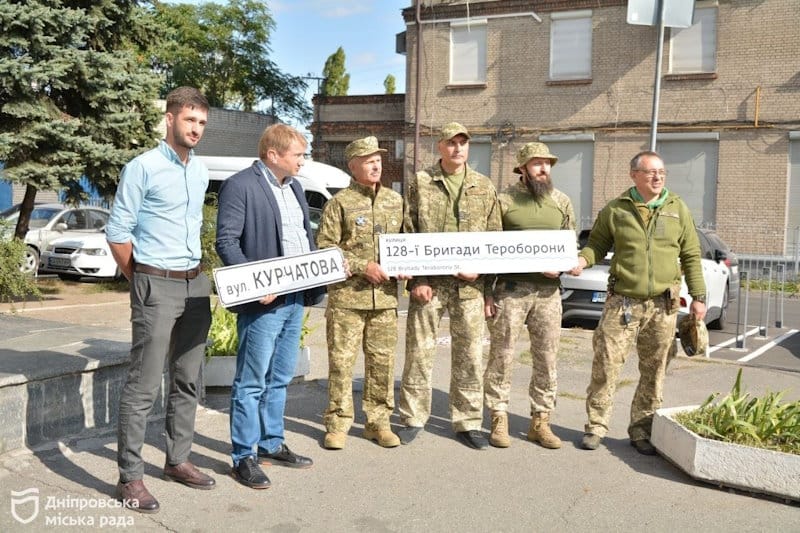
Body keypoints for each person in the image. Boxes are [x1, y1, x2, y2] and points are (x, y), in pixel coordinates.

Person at [107, 86, 216, 514]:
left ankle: (178, 460)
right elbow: (118, 232)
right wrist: (141, 278)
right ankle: (130, 477)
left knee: (188, 379)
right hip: (156, 282)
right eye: (190, 120)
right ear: (170, 119)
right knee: (144, 384)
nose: (196, 129)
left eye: (202, 123)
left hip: (195, 284)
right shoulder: (143, 168)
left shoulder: (200, 170)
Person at [570, 150, 706, 455]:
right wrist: (582, 260)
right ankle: (595, 427)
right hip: (623, 304)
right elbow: (597, 246)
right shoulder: (616, 210)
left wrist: (699, 297)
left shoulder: (677, 208)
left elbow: (691, 256)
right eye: (650, 172)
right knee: (606, 366)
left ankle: (642, 429)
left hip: (663, 306)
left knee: (655, 370)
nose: (657, 177)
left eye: (661, 172)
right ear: (634, 175)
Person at [215, 123, 325, 489]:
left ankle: (271, 442)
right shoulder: (240, 185)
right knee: (251, 382)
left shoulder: (294, 186)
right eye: (298, 155)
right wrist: (254, 283)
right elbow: (227, 241)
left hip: (294, 298)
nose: (303, 162)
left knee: (280, 377)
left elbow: (302, 238)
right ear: (273, 154)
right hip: (263, 303)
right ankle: (243, 455)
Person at [398, 122, 502, 450]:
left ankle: (468, 422)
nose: (458, 148)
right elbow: (408, 229)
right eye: (451, 143)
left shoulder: (483, 186)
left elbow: (495, 236)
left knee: (471, 353)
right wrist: (417, 278)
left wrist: (485, 281)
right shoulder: (421, 182)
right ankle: (413, 418)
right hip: (430, 284)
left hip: (470, 287)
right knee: (419, 351)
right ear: (440, 147)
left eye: (463, 143)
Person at [483, 142, 576, 449]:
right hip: (511, 291)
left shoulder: (561, 202)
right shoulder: (504, 201)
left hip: (548, 294)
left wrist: (561, 269)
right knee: (502, 356)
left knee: (547, 359)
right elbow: (489, 248)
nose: (543, 168)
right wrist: (487, 292)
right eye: (536, 163)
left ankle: (541, 421)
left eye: (547, 163)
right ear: (522, 168)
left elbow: (568, 245)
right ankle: (498, 417)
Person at [316, 136, 406, 450]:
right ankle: (338, 423)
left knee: (382, 362)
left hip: (384, 299)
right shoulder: (339, 203)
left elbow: (408, 242)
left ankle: (378, 423)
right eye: (369, 160)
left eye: (378, 159)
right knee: (341, 363)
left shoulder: (396, 201)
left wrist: (409, 265)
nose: (376, 164)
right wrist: (360, 265)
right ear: (353, 166)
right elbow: (325, 248)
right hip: (347, 298)